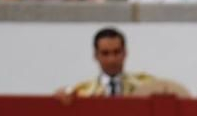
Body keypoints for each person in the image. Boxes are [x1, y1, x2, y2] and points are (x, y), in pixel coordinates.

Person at [56, 27, 190, 97]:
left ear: (125, 53)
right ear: (95, 56)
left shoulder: (147, 84)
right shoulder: (82, 92)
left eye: (116, 52)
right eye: (105, 53)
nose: (112, 59)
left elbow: (176, 96)